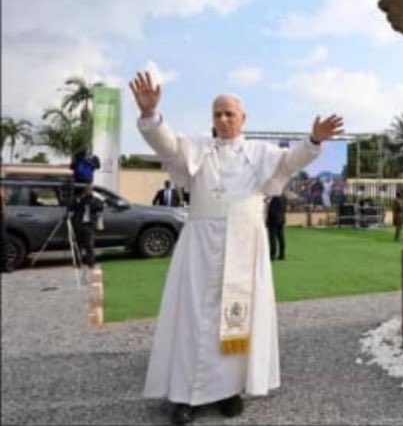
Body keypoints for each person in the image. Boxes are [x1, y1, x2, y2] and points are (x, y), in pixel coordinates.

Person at [129, 71, 344, 425]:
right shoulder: (196, 147)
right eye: (217, 113)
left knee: (236, 317)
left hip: (244, 244)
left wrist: (313, 141)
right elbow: (166, 144)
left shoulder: (260, 152)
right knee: (193, 318)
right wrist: (151, 115)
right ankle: (184, 396)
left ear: (243, 119)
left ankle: (229, 390)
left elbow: (290, 163)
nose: (223, 119)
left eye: (230, 113)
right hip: (200, 246)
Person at [70, 183, 104, 268]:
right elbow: (72, 206)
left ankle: (91, 263)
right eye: (86, 190)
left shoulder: (95, 200)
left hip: (89, 225)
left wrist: (91, 200)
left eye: (89, 190)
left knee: (89, 244)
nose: (88, 192)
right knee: (77, 244)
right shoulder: (79, 199)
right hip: (79, 224)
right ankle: (78, 262)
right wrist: (79, 200)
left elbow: (100, 207)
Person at [266, 195, 286, 260]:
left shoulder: (273, 199)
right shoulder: (283, 198)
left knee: (272, 238)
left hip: (273, 220)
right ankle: (282, 254)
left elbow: (271, 211)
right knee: (281, 237)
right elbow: (284, 209)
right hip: (281, 219)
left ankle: (272, 254)